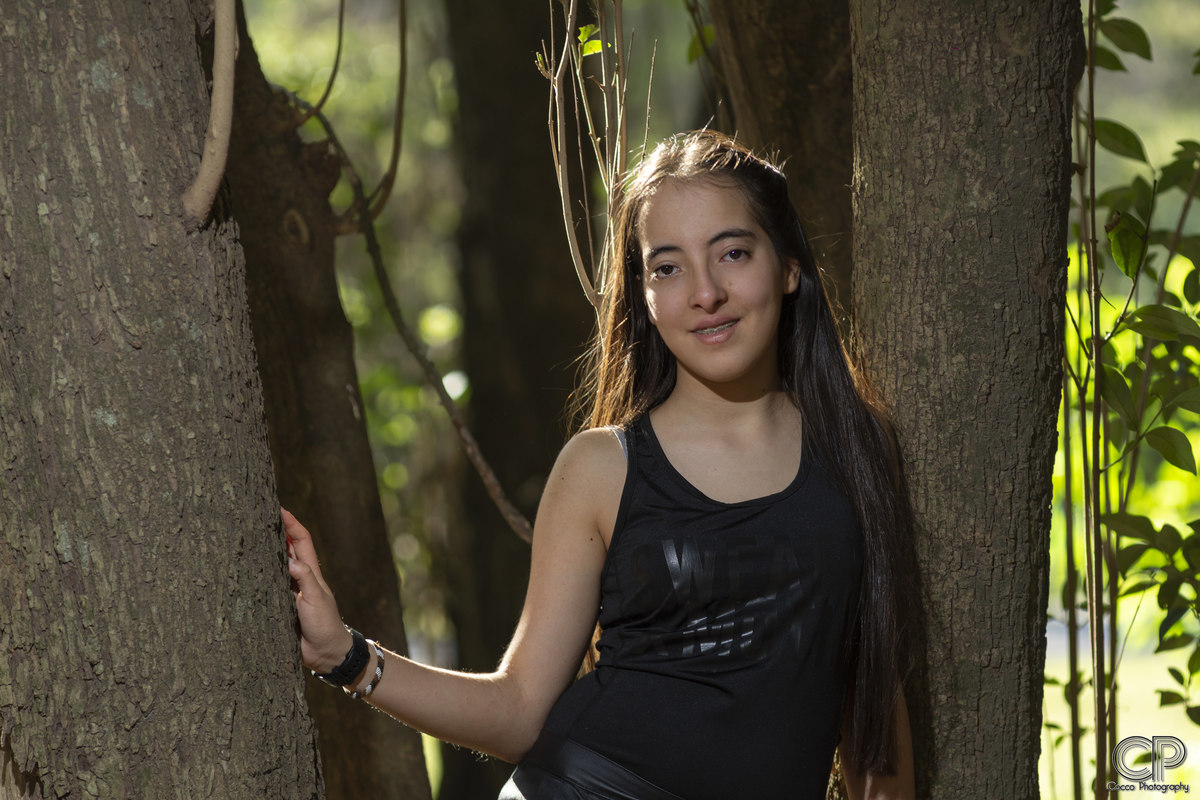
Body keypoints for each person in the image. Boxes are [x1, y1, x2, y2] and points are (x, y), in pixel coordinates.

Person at [285, 129, 916, 800]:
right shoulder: (601, 468)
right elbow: (519, 706)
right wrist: (345, 656)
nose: (705, 293)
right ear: (644, 294)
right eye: (667, 268)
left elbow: (876, 698)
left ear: (789, 265)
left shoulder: (855, 446)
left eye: (732, 253)